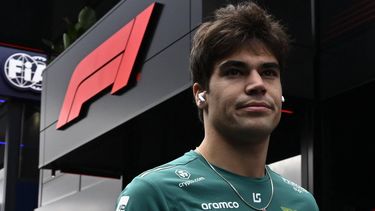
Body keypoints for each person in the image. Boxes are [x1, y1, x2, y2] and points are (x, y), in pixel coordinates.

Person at [115, 1, 319, 210]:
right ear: (200, 94)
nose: (258, 84)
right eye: (234, 71)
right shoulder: (154, 194)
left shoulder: (303, 203)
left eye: (268, 72)